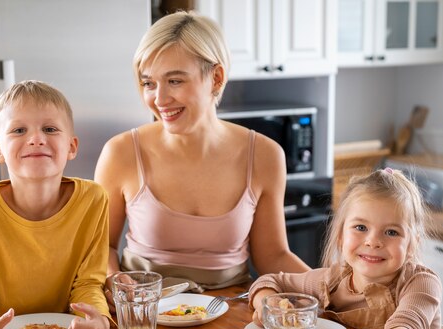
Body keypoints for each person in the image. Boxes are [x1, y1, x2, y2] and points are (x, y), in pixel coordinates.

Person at [94, 11, 310, 302]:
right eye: (148, 83)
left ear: (216, 77)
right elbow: (101, 246)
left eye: (175, 81)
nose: (159, 99)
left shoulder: (264, 155)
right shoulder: (120, 153)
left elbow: (273, 256)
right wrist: (114, 280)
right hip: (145, 310)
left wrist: (331, 288)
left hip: (232, 314)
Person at [0, 80, 110, 329]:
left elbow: (89, 283)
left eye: (49, 129)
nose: (36, 139)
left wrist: (100, 322)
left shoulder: (93, 200)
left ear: (71, 146)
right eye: (18, 130)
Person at [249, 168, 442, 329]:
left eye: (391, 232)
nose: (373, 241)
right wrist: (268, 307)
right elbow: (270, 281)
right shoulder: (332, 279)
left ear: (412, 244)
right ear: (341, 236)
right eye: (361, 227)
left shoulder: (420, 283)